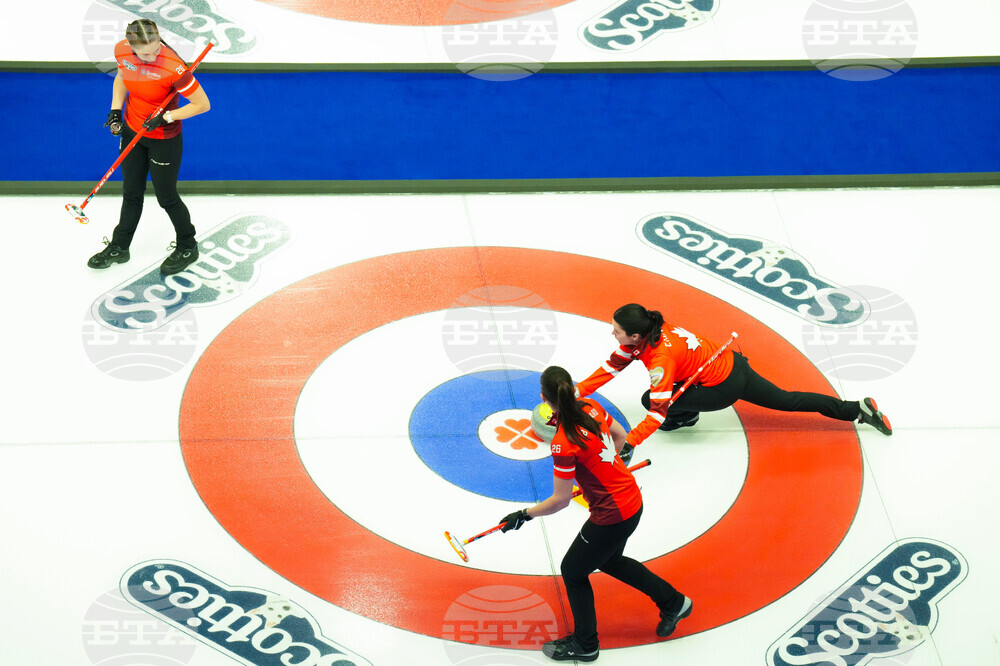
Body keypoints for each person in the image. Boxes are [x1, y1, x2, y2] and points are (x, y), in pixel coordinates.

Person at [499, 365, 691, 662]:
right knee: (610, 560)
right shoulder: (592, 406)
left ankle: (586, 644)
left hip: (611, 516)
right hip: (632, 500)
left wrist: (524, 513)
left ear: (542, 397)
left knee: (573, 571)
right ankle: (673, 602)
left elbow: (560, 500)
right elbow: (621, 436)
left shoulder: (563, 443)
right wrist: (609, 465)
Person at [577, 303, 892, 463]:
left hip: (722, 387)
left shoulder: (660, 361)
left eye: (616, 330)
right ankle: (856, 409)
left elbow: (658, 411)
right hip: (732, 363)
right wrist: (575, 392)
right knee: (787, 399)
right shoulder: (652, 330)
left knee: (650, 400)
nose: (612, 334)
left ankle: (687, 415)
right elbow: (612, 366)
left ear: (635, 335)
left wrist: (630, 441)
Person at [87, 19, 210, 275]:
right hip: (133, 130)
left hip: (163, 137)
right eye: (146, 53)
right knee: (131, 193)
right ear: (131, 47)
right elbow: (122, 77)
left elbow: (202, 104)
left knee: (166, 197)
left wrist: (166, 117)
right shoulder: (121, 51)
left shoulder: (174, 67)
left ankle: (188, 245)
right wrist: (114, 110)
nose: (153, 55)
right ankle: (120, 246)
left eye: (156, 49)